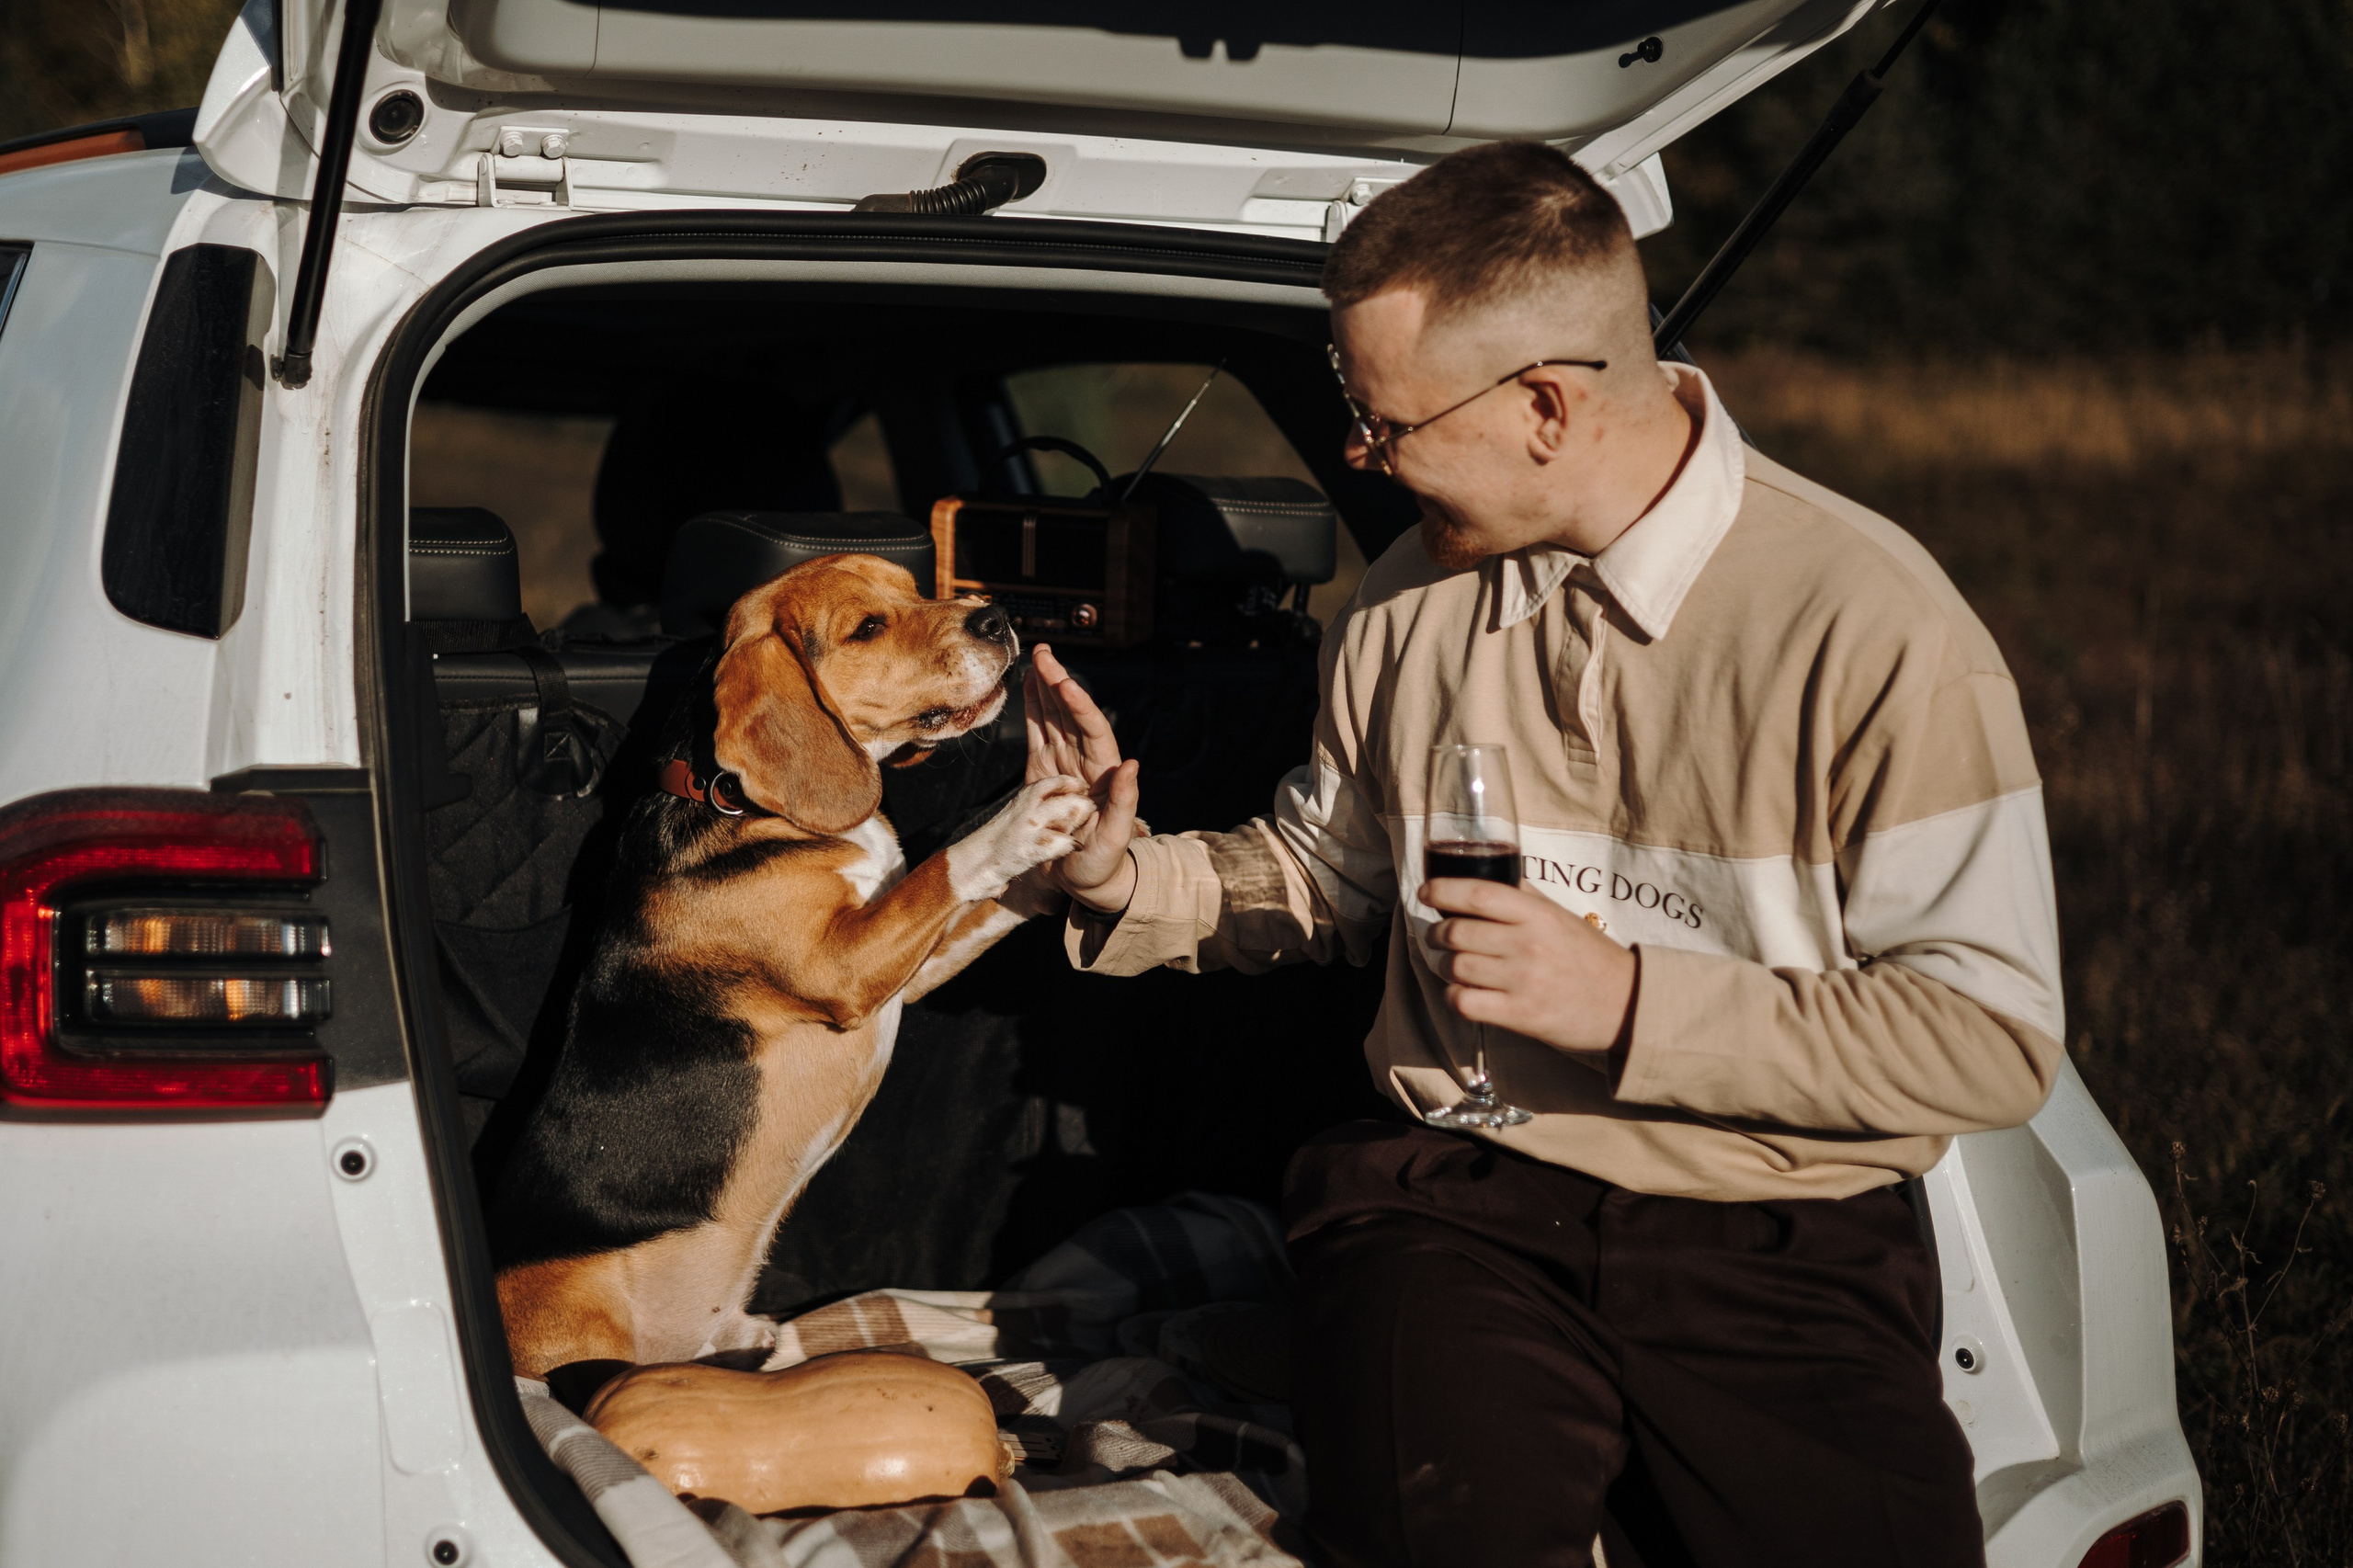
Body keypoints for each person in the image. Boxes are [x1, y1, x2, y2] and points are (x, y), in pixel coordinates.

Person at [1021, 141, 2060, 1568]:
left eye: (1386, 425)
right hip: (1452, 1202)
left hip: (1779, 1228)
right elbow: (1325, 880)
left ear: (1548, 407)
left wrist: (1628, 1004)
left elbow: (1988, 1039)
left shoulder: (1878, 628)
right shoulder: (1401, 606)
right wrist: (1119, 876)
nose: (1358, 457)